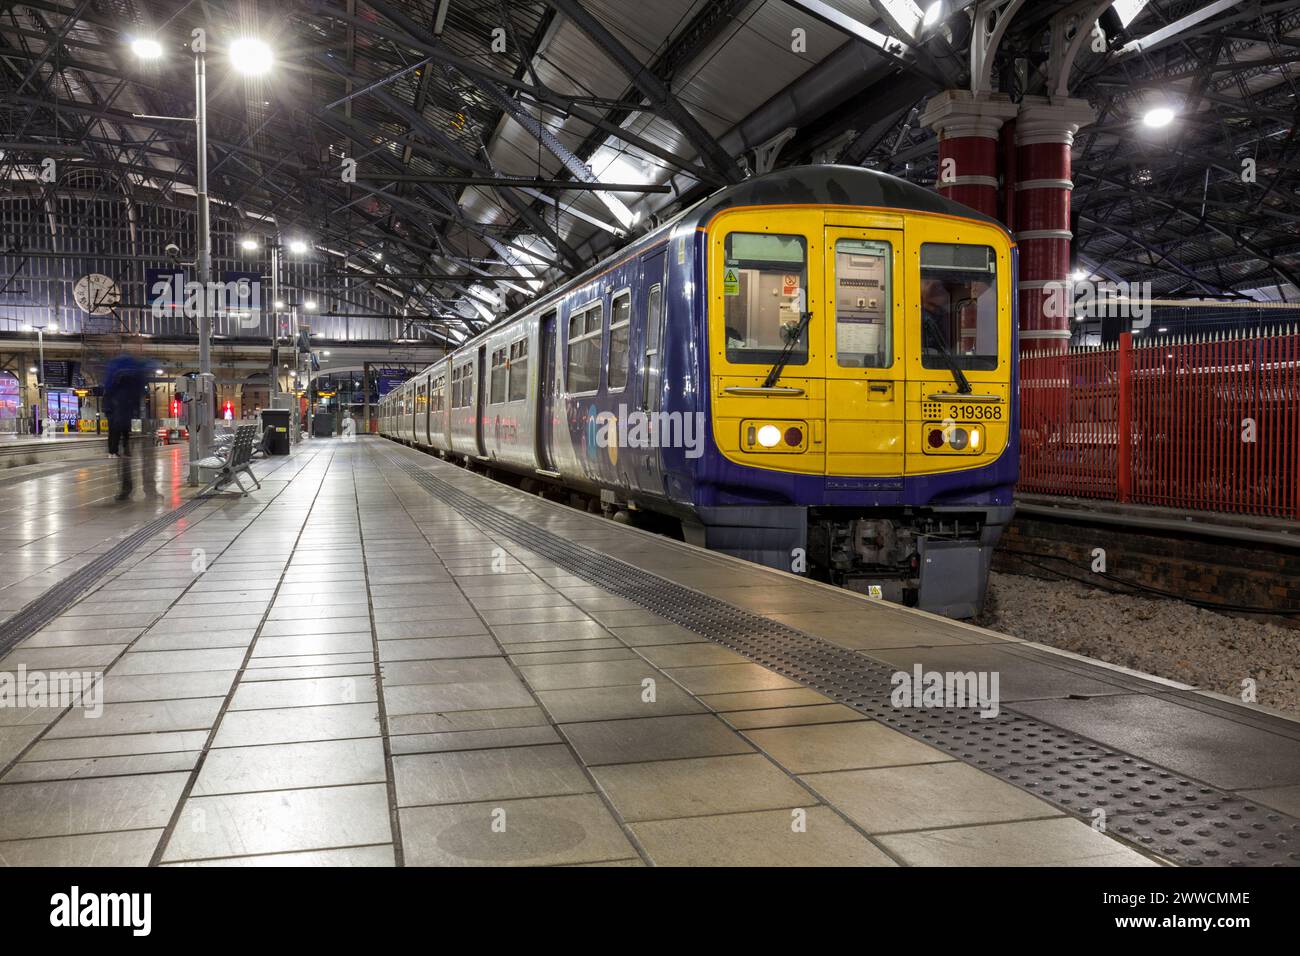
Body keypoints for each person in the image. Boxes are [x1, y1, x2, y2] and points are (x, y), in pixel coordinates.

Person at [102, 355, 159, 501]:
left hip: (129, 421)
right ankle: (145, 489)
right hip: (132, 420)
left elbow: (108, 400)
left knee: (129, 458)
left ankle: (128, 490)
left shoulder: (121, 372)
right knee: (141, 457)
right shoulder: (132, 370)